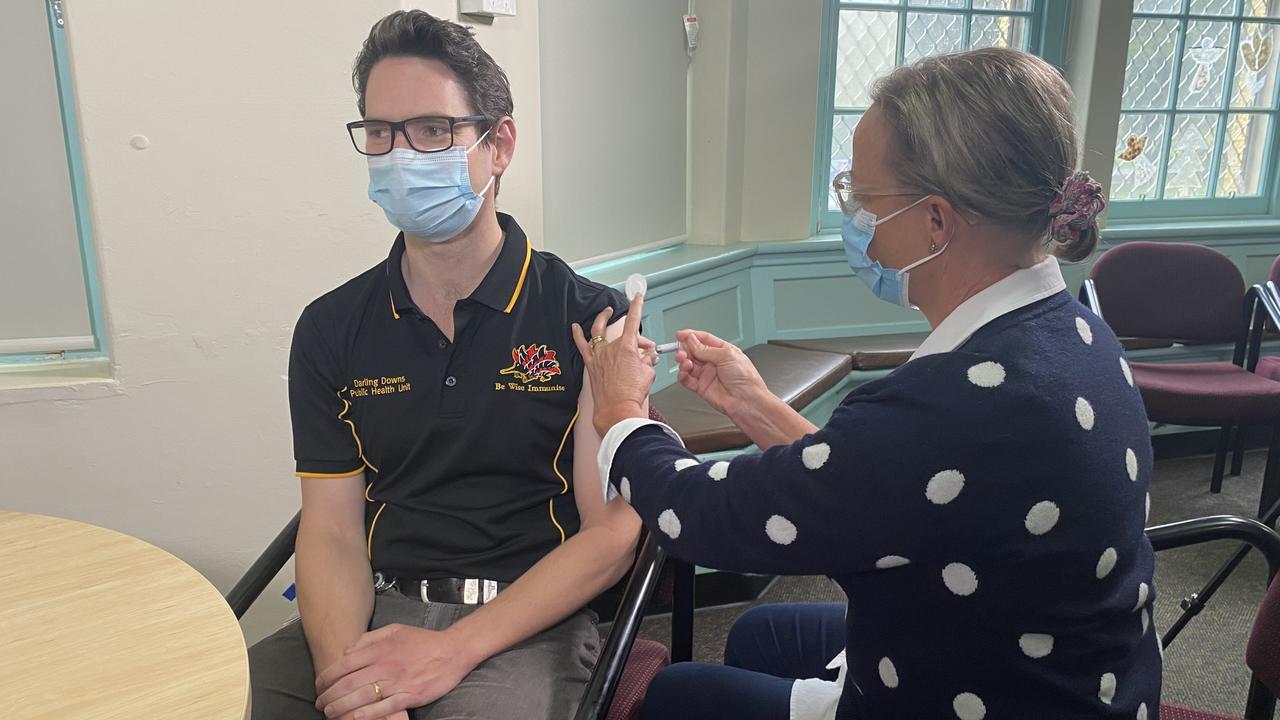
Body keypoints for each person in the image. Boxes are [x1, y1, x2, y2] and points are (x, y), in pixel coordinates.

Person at [575, 48, 1160, 720]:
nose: (856, 220)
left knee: (675, 697)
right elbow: (878, 485)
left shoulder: (957, 402)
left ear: (936, 221)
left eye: (863, 197)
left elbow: (705, 518)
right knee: (758, 633)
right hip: (1067, 671)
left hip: (994, 695)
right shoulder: (1075, 337)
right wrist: (755, 404)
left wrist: (621, 414)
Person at [247, 11, 645, 720]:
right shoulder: (332, 327)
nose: (402, 155)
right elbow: (333, 530)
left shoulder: (589, 318)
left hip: (525, 622)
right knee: (214, 698)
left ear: (500, 145)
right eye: (380, 132)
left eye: (433, 130)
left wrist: (454, 649)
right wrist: (358, 685)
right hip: (369, 606)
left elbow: (611, 534)